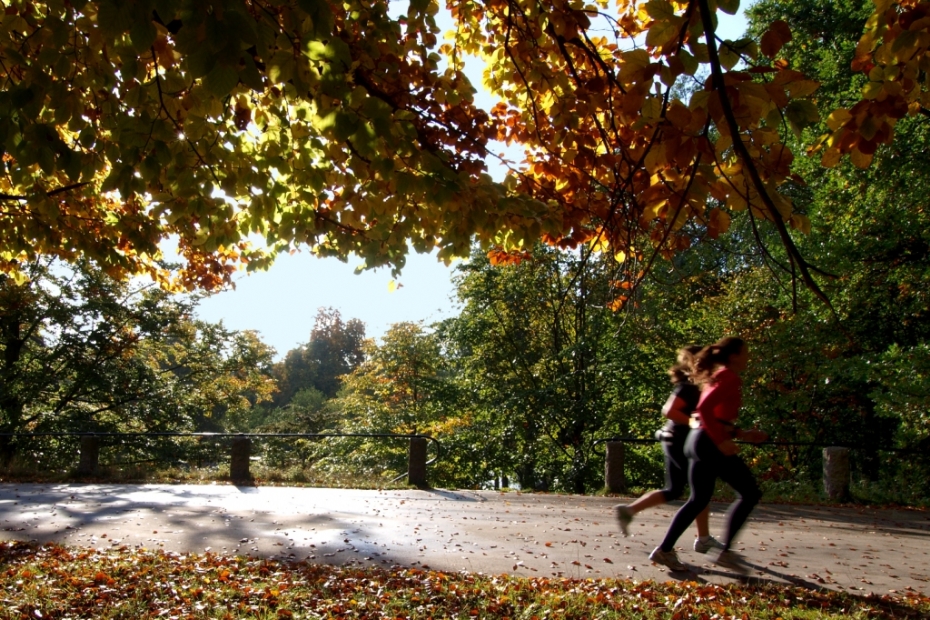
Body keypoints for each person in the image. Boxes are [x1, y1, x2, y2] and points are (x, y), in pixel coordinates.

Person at [648, 337, 768, 574]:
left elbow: (712, 416)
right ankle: (724, 553)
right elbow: (704, 411)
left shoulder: (717, 377)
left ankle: (665, 550)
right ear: (734, 356)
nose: (748, 356)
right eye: (746, 352)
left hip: (698, 440)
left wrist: (741, 433)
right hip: (709, 443)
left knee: (698, 499)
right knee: (750, 492)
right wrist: (722, 440)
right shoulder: (729, 377)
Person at [614, 346, 723, 555]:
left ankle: (630, 511)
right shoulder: (689, 386)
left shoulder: (694, 385)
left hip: (679, 440)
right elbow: (669, 410)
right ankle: (702, 539)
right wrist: (695, 422)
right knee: (698, 491)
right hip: (680, 440)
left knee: (685, 490)